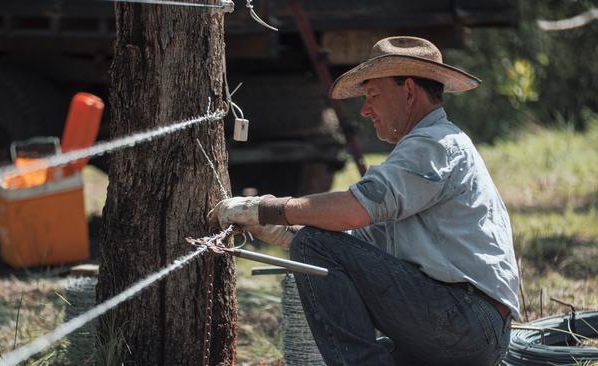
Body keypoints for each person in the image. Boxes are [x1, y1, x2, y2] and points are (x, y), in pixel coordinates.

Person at [211, 36, 520, 365]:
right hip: (467, 325)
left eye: (373, 95)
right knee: (314, 245)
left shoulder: (433, 144)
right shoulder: (434, 146)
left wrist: (270, 209)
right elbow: (362, 246)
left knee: (314, 248)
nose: (365, 109)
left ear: (409, 91)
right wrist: (289, 232)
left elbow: (354, 211)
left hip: (464, 321)